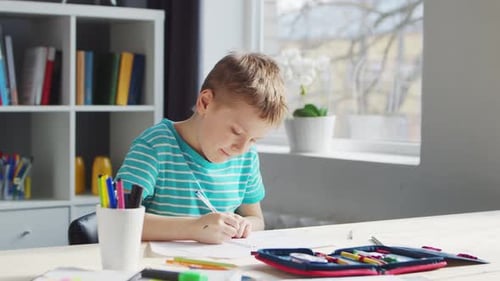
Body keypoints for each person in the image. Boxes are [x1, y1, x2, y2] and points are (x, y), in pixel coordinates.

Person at [116, 52, 287, 244]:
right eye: (236, 132)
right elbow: (119, 220)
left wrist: (242, 225)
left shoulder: (247, 158)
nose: (241, 148)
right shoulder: (155, 146)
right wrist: (195, 228)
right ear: (205, 103)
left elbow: (257, 220)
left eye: (254, 139)